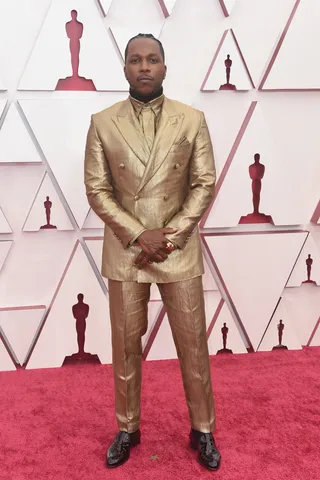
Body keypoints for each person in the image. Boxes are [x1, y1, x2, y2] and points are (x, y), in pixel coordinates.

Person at [84, 33, 221, 472]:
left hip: (176, 251)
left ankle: (203, 429)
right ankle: (127, 428)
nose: (144, 67)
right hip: (127, 252)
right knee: (124, 346)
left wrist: (171, 235)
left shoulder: (192, 119)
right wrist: (139, 235)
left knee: (193, 347)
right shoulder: (103, 122)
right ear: (125, 69)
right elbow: (97, 189)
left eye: (153, 59)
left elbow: (204, 183)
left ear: (165, 67)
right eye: (136, 60)